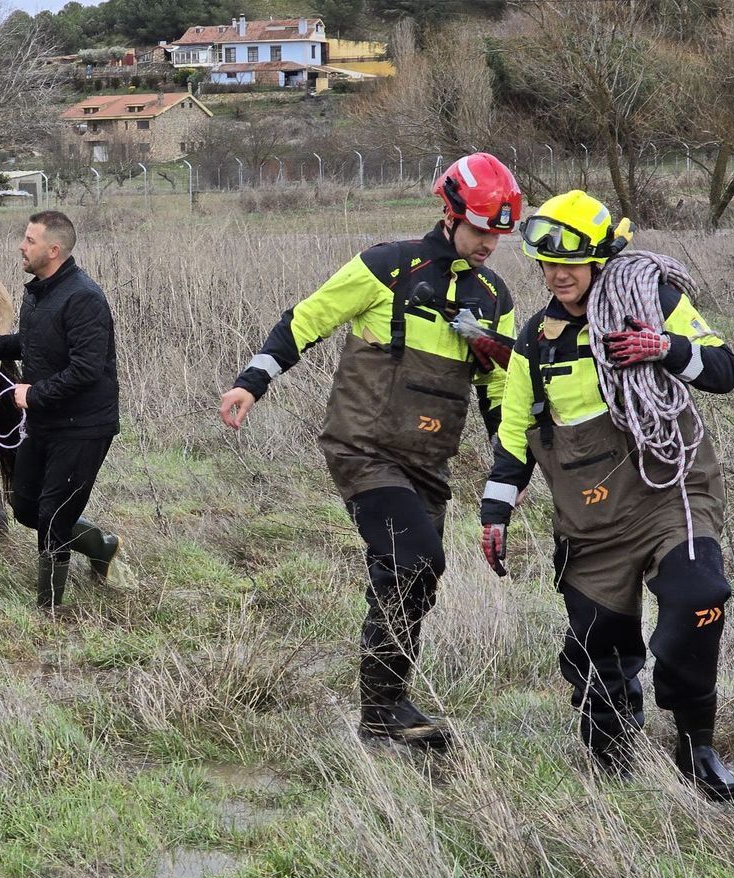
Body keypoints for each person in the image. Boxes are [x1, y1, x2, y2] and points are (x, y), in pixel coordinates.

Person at [218, 152, 522, 748]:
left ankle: (382, 714)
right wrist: (251, 382)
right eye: (482, 229)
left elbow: (498, 392)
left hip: (429, 463)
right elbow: (307, 319)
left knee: (413, 578)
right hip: (363, 450)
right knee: (414, 561)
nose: (490, 243)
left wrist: (510, 469)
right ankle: (384, 709)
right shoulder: (386, 267)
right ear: (450, 214)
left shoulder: (493, 296)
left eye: (498, 234)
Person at [478, 190, 734, 800]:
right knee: (597, 650)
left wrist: (665, 349)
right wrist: (496, 512)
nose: (557, 275)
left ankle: (696, 745)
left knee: (699, 597)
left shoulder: (651, 302)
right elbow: (515, 439)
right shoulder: (534, 344)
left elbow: (724, 370)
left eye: (570, 262)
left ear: (601, 259)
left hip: (671, 494)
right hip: (590, 522)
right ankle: (613, 762)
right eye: (546, 264)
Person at [0, 211, 122, 608]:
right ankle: (101, 545)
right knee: (25, 506)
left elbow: (87, 369)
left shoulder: (84, 298)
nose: (21, 246)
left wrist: (34, 394)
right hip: (46, 421)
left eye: (29, 240)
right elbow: (31, 345)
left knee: (53, 515)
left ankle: (50, 608)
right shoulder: (39, 293)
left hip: (84, 426)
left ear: (54, 249)